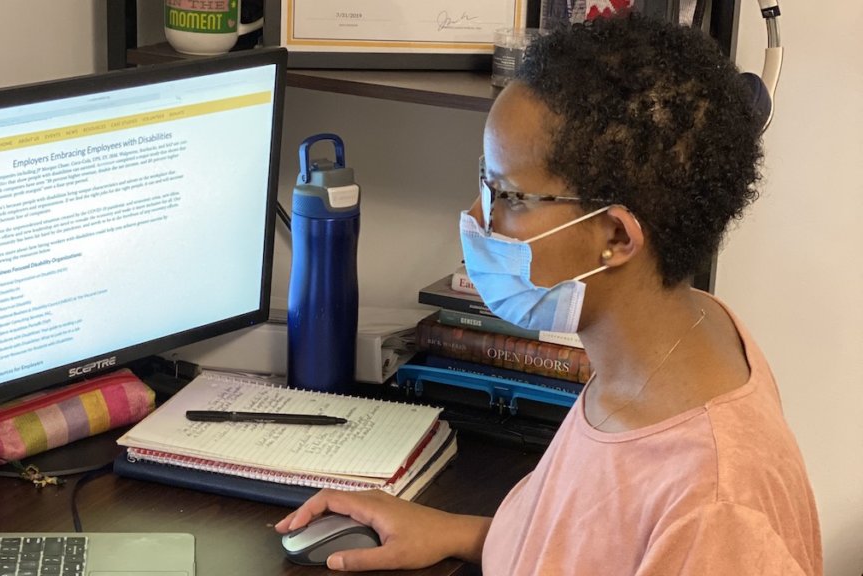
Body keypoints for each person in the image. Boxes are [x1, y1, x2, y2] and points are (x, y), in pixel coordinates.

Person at [274, 14, 823, 575]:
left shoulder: (717, 508)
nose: (473, 217)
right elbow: (595, 543)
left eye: (506, 195)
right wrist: (465, 533)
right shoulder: (667, 340)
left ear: (615, 237)